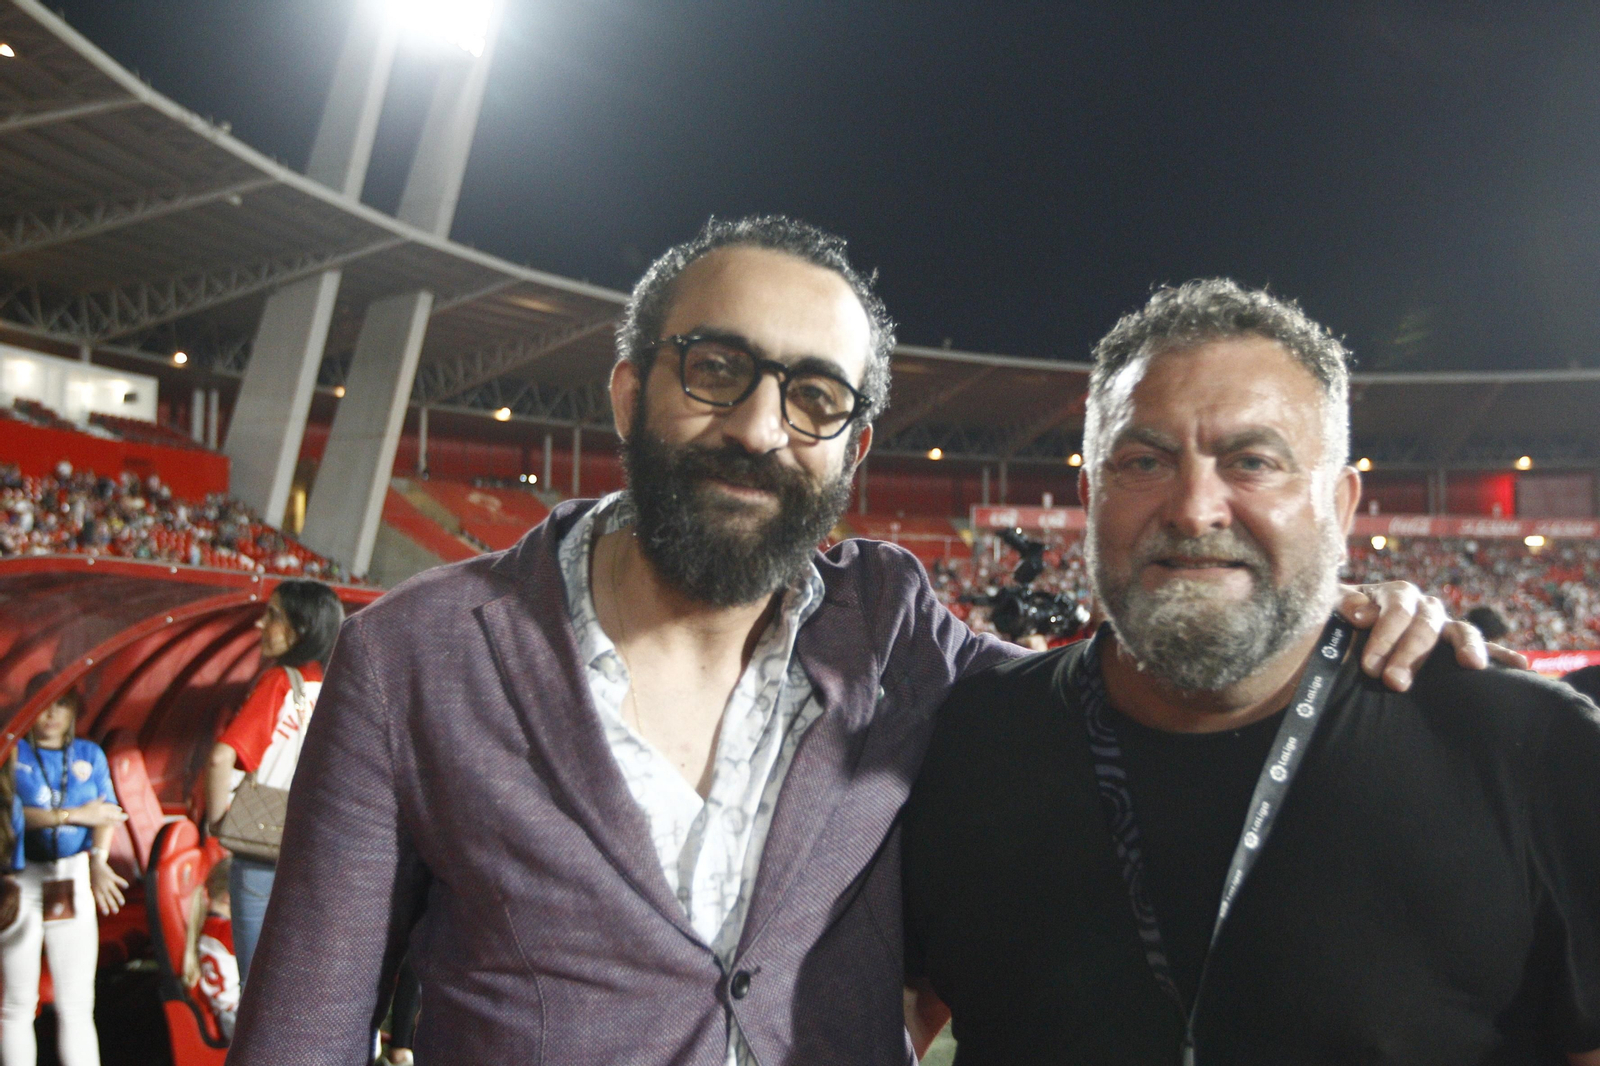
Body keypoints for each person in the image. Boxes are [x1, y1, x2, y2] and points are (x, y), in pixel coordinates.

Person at [227, 218, 1496, 1066]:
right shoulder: (421, 654)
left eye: (816, 396)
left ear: (854, 444)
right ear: (628, 386)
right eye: (716, 368)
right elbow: (304, 1031)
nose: (762, 428)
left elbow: (1138, 689)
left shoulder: (895, 630)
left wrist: (1324, 609)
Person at [902, 279, 1600, 1064]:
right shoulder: (964, 741)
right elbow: (886, 1010)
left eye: (1253, 461)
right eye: (1144, 461)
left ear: (1339, 506)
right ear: (1090, 496)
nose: (1194, 508)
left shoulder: (1527, 750)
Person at [205, 579, 344, 982]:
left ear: (301, 629)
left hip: (261, 850)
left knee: (255, 987)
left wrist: (218, 822)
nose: (259, 625)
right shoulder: (333, 688)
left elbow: (220, 758)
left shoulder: (280, 682)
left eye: (273, 616)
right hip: (313, 853)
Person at [1, 683, 128, 1066]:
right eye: (42, 706)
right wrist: (74, 816)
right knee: (16, 1004)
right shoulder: (11, 754)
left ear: (75, 709)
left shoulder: (90, 753)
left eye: (61, 704)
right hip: (20, 880)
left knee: (76, 1004)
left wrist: (99, 860)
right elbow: (9, 813)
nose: (51, 714)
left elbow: (108, 813)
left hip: (71, 876)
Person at [183, 857, 239, 1041]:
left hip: (231, 1014)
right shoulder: (226, 931)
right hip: (234, 1017)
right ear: (228, 898)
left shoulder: (212, 926)